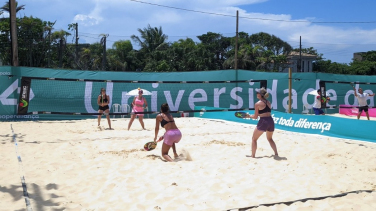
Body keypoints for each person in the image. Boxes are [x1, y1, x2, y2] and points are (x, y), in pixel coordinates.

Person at [245, 88, 278, 158]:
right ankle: (276, 153)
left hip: (263, 121)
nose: (256, 94)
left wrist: (249, 116)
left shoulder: (257, 104)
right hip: (271, 121)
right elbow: (265, 112)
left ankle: (253, 155)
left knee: (254, 139)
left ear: (260, 95)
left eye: (257, 93)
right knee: (270, 139)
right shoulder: (268, 102)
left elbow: (255, 117)